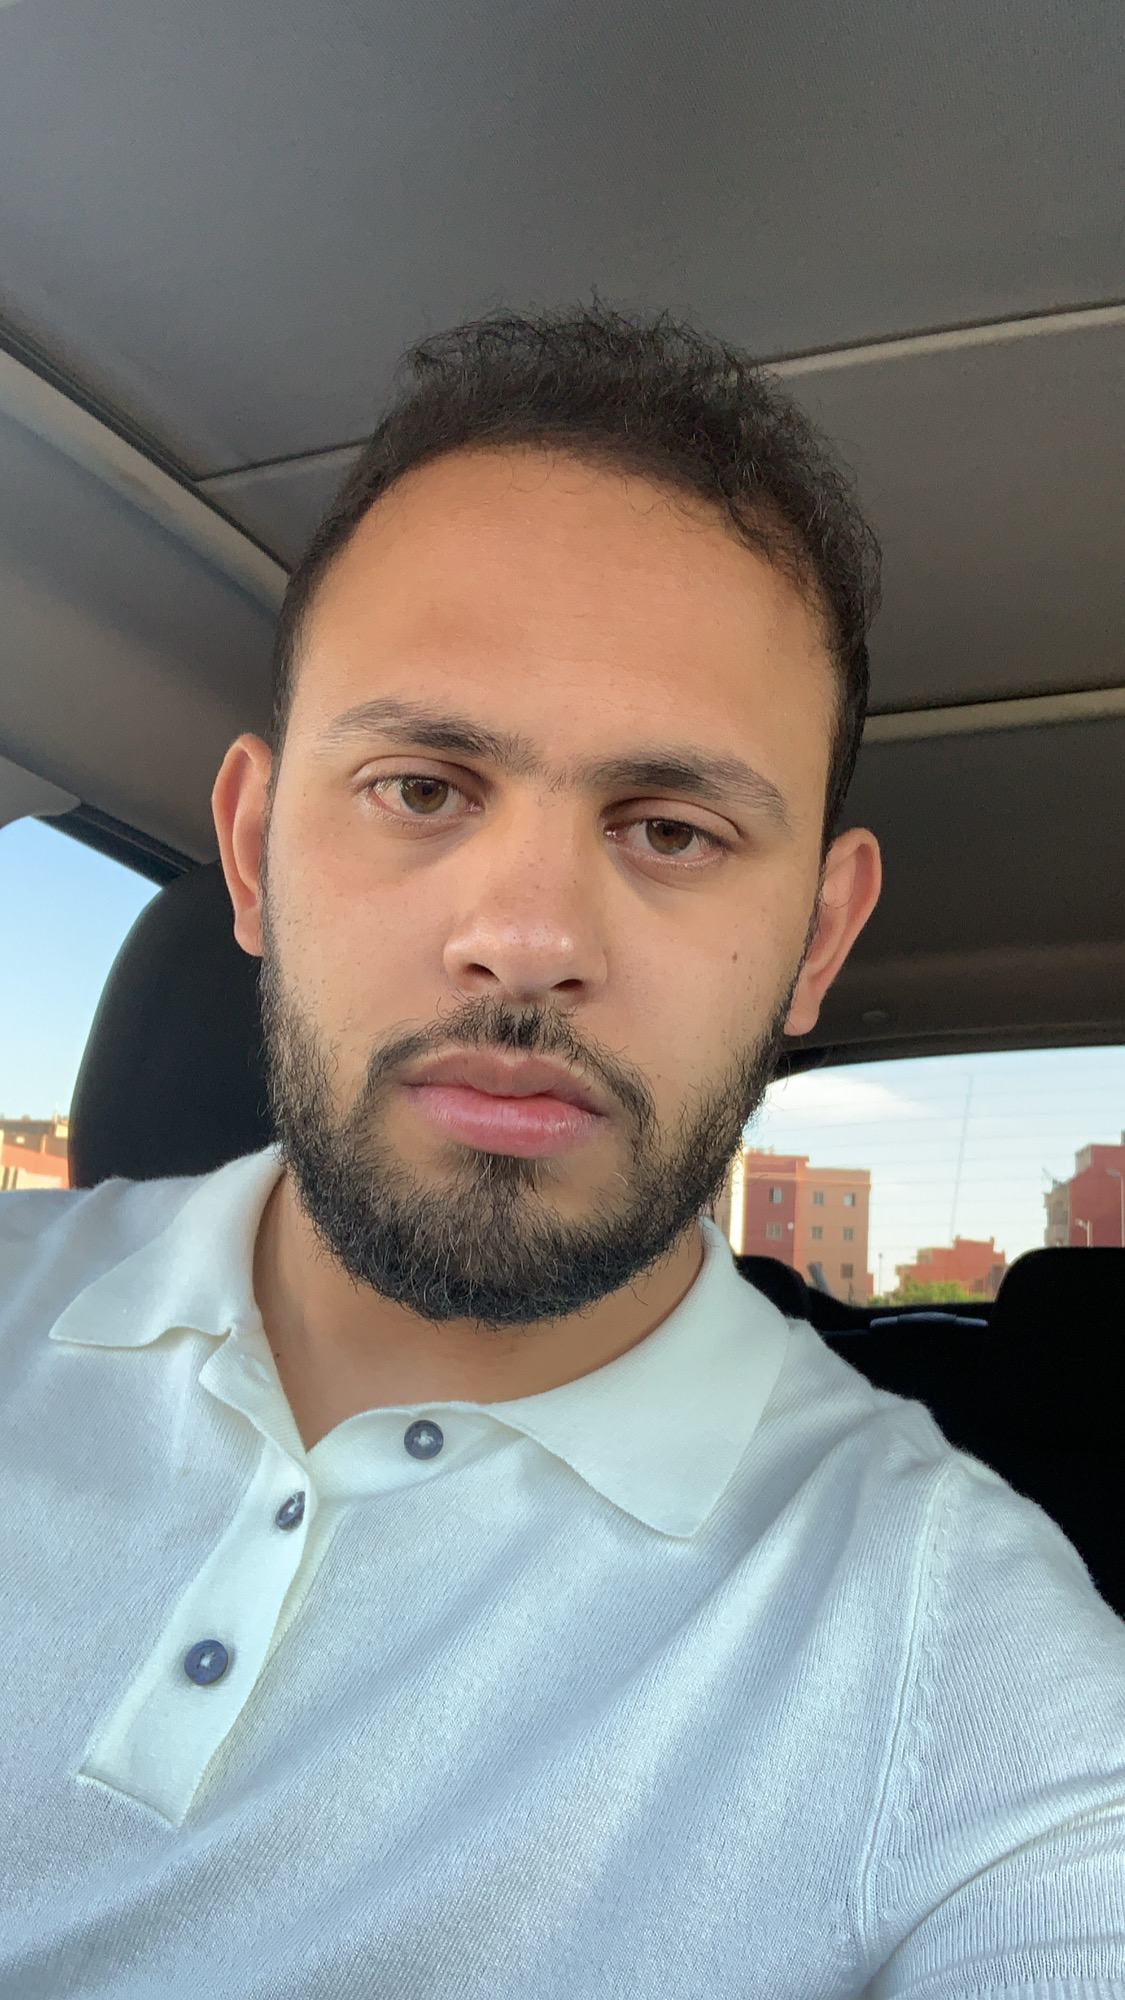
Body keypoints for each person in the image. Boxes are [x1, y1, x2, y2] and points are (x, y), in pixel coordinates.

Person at [2, 308, 1123, 1998]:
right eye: (421, 788)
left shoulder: (968, 1669)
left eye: (669, 828)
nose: (525, 941)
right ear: (249, 852)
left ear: (817, 942)